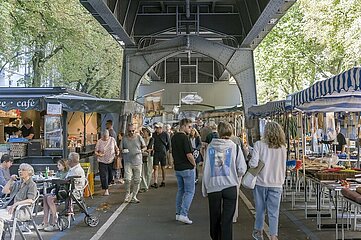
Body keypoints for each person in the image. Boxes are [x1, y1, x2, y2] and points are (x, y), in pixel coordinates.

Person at [202, 122, 247, 240]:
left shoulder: (210, 147)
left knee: (214, 218)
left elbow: (206, 169)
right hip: (230, 186)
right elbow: (242, 168)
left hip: (214, 187)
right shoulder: (235, 147)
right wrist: (235, 176)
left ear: (218, 132)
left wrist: (205, 189)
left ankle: (215, 237)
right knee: (227, 220)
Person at [249, 121, 287, 240]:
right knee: (273, 212)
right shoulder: (283, 148)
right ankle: (273, 235)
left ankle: (258, 232)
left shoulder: (259, 145)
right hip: (277, 183)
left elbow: (253, 163)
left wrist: (250, 160)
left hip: (261, 182)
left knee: (260, 210)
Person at [0, 163, 37, 239]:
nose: (20, 171)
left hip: (22, 211)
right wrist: (10, 180)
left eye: (23, 170)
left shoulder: (32, 185)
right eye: (19, 170)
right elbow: (4, 191)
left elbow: (30, 200)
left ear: (29, 172)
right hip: (11, 209)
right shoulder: (17, 184)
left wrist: (16, 204)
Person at [171, 118, 196, 224]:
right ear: (183, 126)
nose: (190, 129)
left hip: (178, 168)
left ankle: (178, 213)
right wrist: (194, 164)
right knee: (189, 192)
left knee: (181, 191)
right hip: (187, 168)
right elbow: (189, 154)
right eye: (189, 127)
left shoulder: (173, 137)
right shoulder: (184, 138)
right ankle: (183, 214)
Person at [38, 159, 69, 232]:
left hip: (62, 192)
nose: (57, 166)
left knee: (49, 198)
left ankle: (54, 222)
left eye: (59, 165)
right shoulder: (59, 173)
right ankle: (45, 222)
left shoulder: (67, 173)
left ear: (64, 166)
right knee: (45, 196)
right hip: (57, 190)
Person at [121, 124, 146, 203]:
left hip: (138, 162)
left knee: (137, 180)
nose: (131, 132)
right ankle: (127, 194)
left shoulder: (139, 137)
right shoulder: (124, 139)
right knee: (127, 179)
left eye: (133, 131)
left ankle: (134, 196)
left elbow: (144, 146)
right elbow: (120, 148)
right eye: (129, 131)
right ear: (127, 131)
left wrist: (141, 151)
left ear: (136, 130)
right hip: (128, 161)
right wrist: (122, 151)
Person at [95, 129, 119, 196]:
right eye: (104, 137)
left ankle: (107, 184)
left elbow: (116, 147)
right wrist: (99, 154)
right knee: (104, 175)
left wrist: (117, 151)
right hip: (102, 161)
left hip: (111, 160)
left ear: (109, 135)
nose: (105, 138)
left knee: (111, 175)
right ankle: (106, 189)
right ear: (102, 136)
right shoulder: (99, 141)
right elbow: (95, 151)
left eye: (107, 136)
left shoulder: (112, 140)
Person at [151, 122, 170, 188]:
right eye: (155, 128)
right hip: (156, 152)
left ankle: (163, 181)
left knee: (163, 167)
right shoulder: (154, 135)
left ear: (161, 128)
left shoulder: (165, 134)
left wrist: (166, 150)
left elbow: (169, 144)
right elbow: (152, 142)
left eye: (157, 128)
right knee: (155, 167)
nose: (156, 129)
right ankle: (155, 182)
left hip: (163, 153)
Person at [139, 127, 154, 193]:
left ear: (148, 132)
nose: (143, 133)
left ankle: (147, 185)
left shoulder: (151, 139)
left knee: (148, 171)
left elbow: (150, 147)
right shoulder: (141, 139)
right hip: (142, 156)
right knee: (142, 172)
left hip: (149, 156)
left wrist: (146, 150)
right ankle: (143, 186)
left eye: (144, 131)